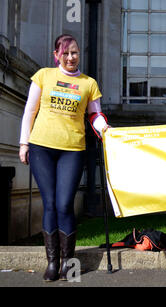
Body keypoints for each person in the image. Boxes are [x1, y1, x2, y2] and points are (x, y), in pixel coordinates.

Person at [19, 34, 109, 282]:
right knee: (49, 204)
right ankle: (52, 262)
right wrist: (24, 143)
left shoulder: (88, 83)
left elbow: (95, 115)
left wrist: (104, 129)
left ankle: (69, 264)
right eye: (66, 53)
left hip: (73, 149)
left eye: (75, 53)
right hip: (42, 147)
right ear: (56, 55)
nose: (71, 57)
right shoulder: (43, 76)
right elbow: (30, 110)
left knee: (64, 204)